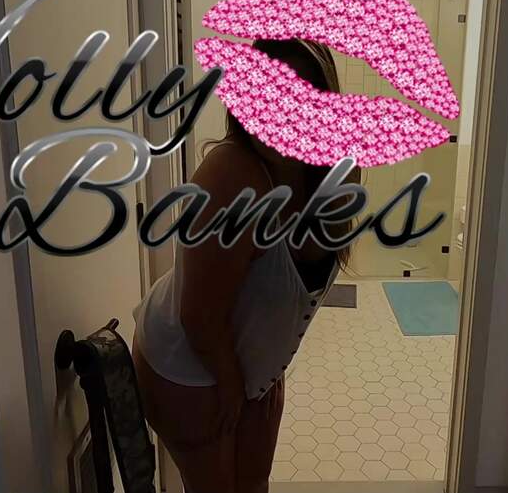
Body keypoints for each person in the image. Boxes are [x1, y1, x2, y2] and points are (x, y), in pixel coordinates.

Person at [132, 38, 358, 493]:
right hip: (189, 364)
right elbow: (198, 317)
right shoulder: (232, 175)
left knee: (254, 483)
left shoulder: (328, 176)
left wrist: (264, 369)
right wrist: (233, 382)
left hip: (244, 363)